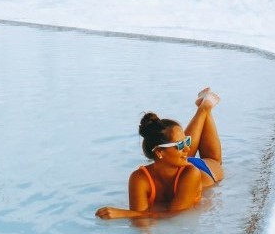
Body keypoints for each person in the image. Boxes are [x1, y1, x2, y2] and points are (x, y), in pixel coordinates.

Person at [95, 87, 225, 220]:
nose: (187, 147)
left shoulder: (191, 173)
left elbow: (175, 214)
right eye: (181, 144)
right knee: (183, 152)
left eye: (187, 141)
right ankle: (203, 107)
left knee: (214, 159)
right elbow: (140, 220)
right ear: (158, 152)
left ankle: (205, 108)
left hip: (204, 171)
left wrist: (123, 214)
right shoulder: (139, 178)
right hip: (172, 163)